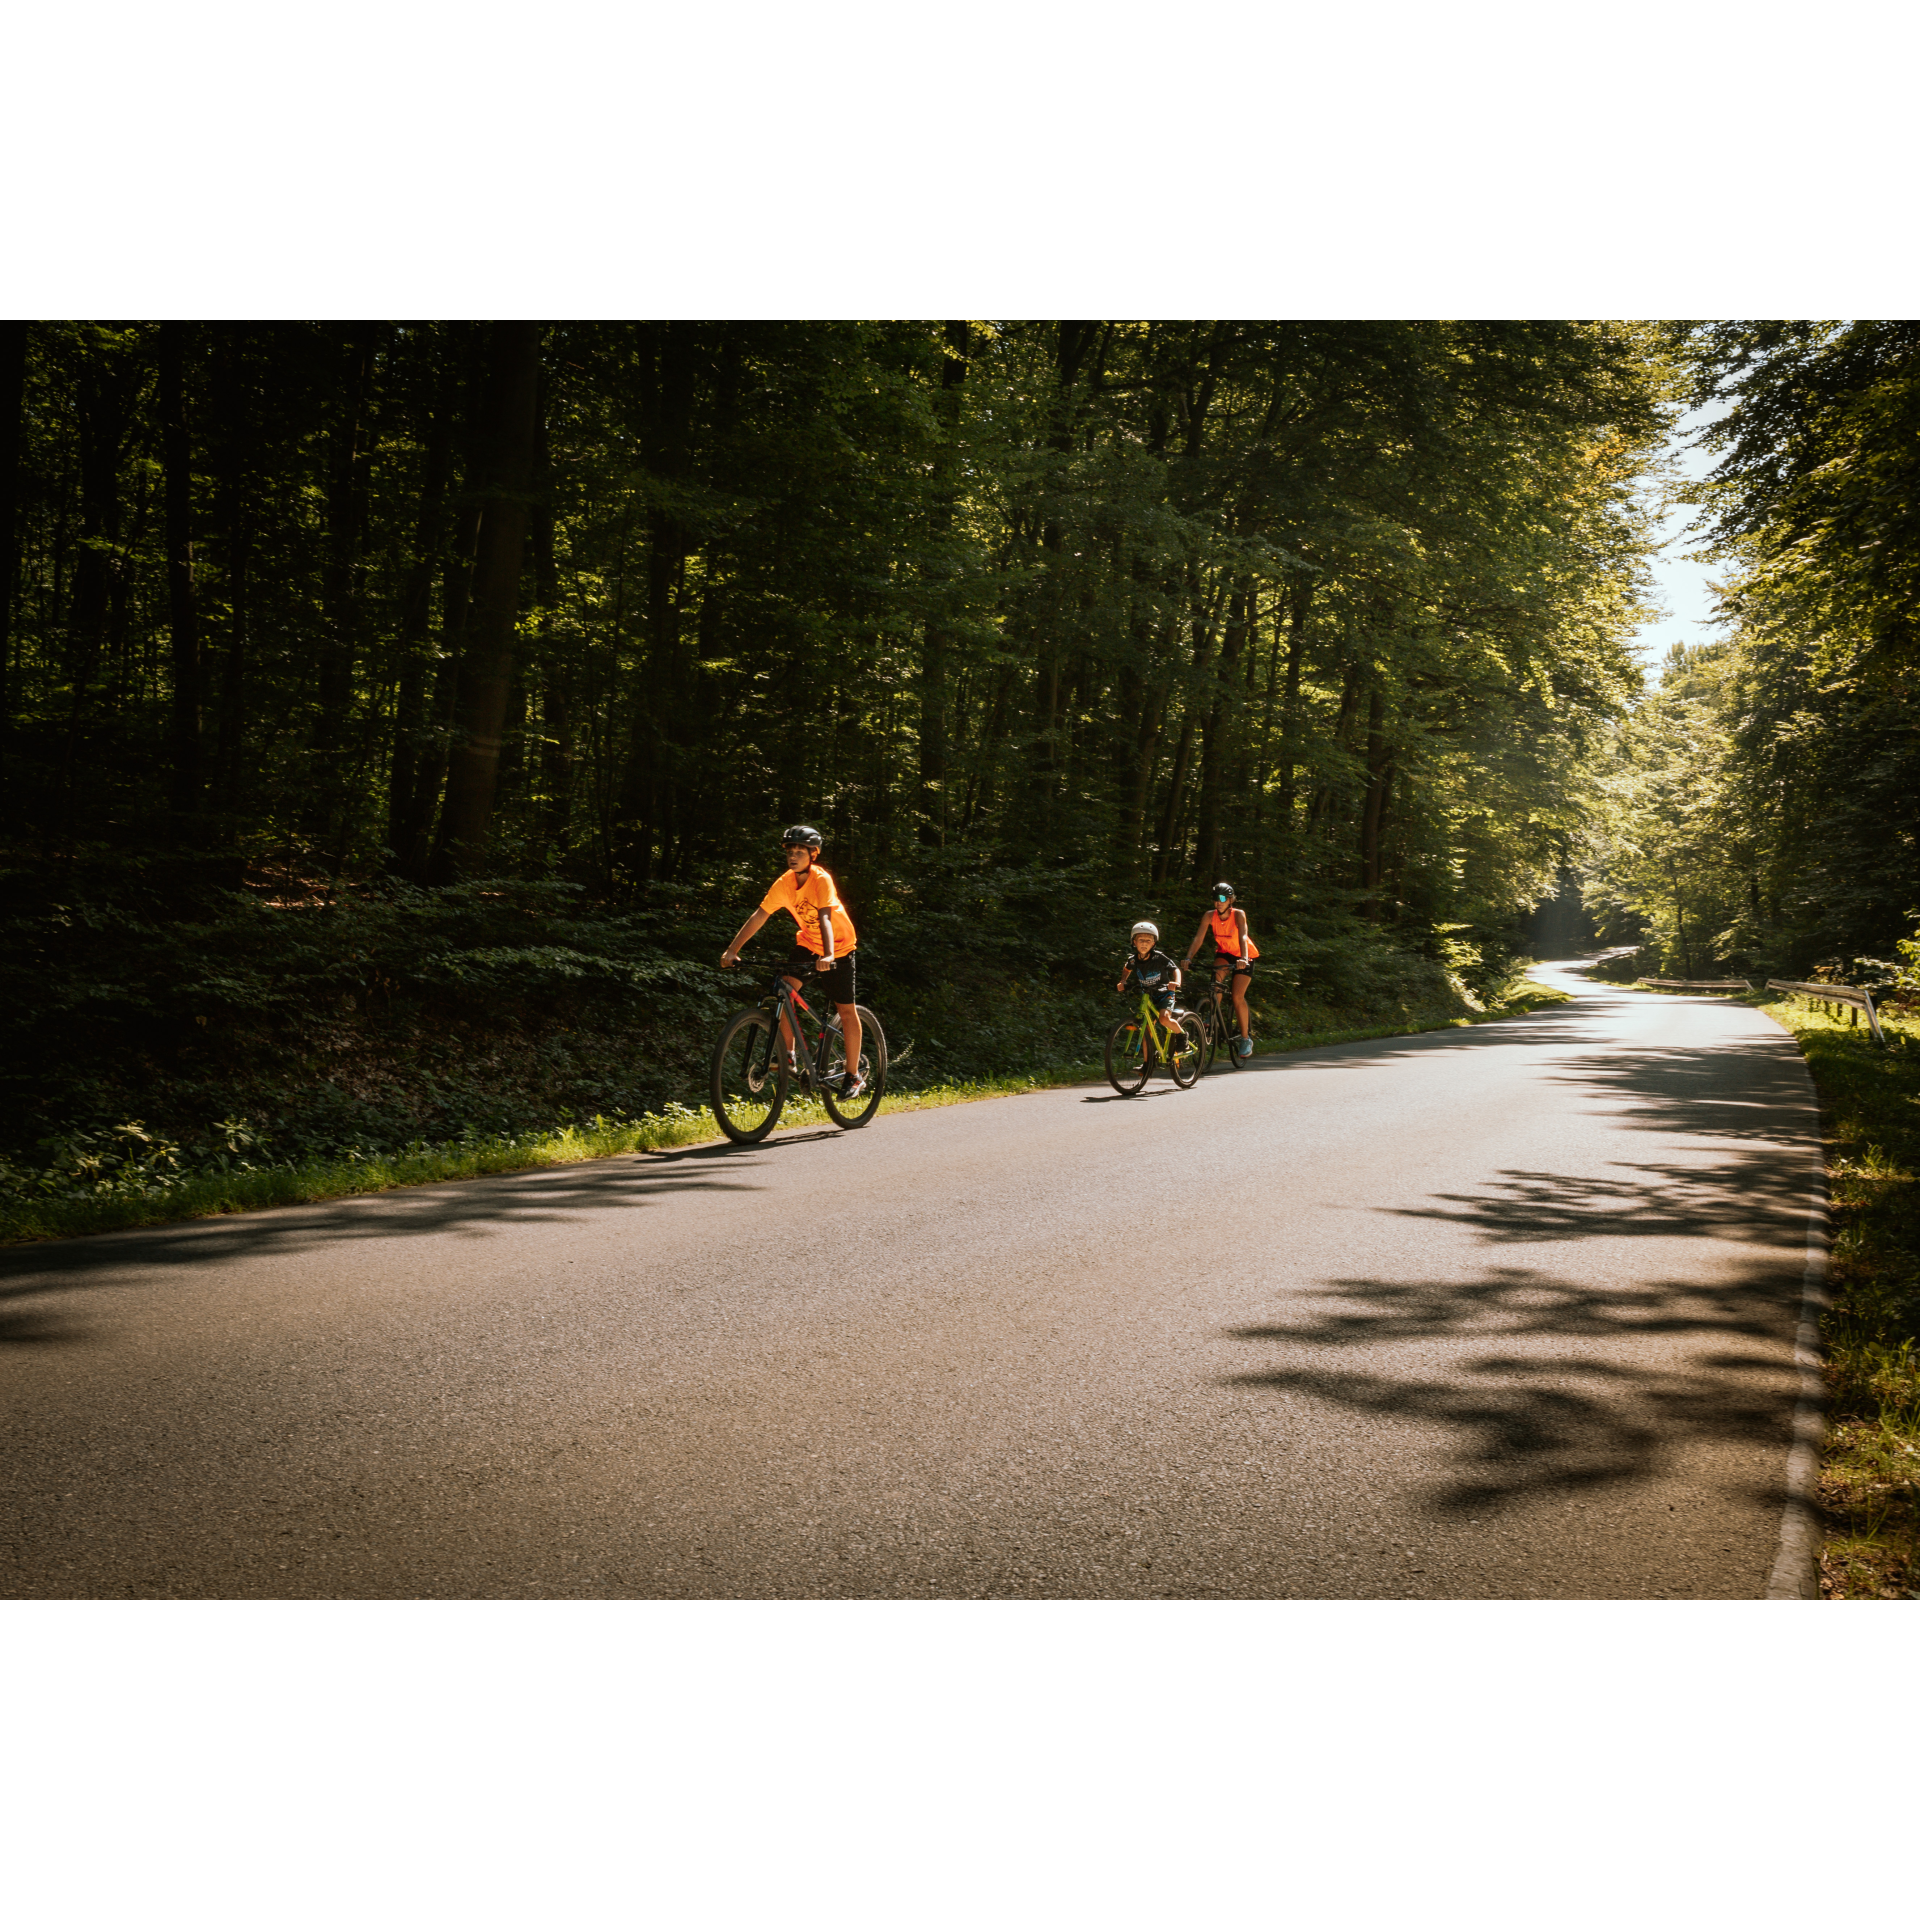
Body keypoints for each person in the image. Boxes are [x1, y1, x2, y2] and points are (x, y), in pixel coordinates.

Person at [720, 825, 865, 1096]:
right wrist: (732, 950)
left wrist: (830, 953)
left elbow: (824, 916)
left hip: (840, 947)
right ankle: (788, 1055)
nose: (793, 855)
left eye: (800, 851)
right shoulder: (785, 883)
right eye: (790, 851)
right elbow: (759, 916)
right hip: (808, 944)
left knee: (845, 1010)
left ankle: (853, 1075)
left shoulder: (821, 879)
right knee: (783, 989)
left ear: (813, 855)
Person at [1182, 881, 1258, 1057]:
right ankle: (1213, 1015)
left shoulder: (1238, 914)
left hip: (1244, 956)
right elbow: (1198, 938)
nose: (1219, 901)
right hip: (1224, 953)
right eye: (1216, 898)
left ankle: (1246, 1039)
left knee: (1238, 995)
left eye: (1223, 898)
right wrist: (1188, 958)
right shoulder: (1209, 916)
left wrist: (1244, 958)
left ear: (1230, 900)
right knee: (1215, 982)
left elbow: (1243, 936)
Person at [1116, 920, 1185, 1042]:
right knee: (1146, 1030)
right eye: (1141, 940)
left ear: (1153, 944)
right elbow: (1127, 969)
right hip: (1148, 995)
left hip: (1165, 994)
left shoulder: (1158, 957)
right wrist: (1123, 981)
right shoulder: (1133, 960)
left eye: (1148, 941)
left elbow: (1175, 969)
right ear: (1134, 942)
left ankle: (1181, 1035)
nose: (1144, 943)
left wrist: (1177, 982)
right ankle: (1148, 1061)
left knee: (1163, 1019)